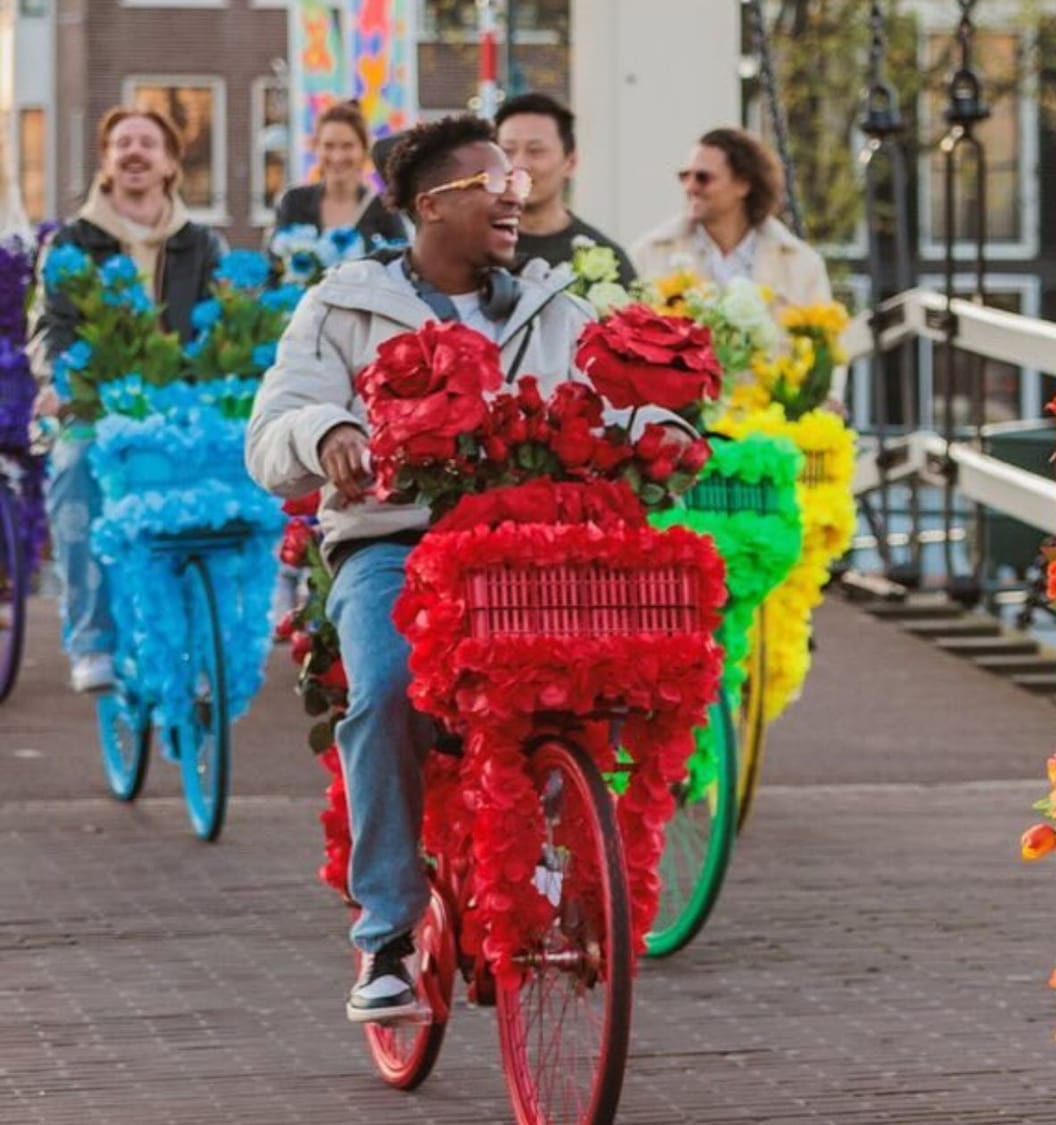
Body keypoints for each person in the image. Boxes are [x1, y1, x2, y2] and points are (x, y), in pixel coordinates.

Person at [246, 114, 597, 1023]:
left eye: (523, 182)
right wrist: (329, 435)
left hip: (529, 547)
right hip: (391, 541)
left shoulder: (558, 308)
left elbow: (619, 410)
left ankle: (566, 868)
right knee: (390, 691)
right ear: (433, 205)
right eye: (497, 184)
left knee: (602, 688)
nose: (519, 197)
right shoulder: (342, 304)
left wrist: (673, 432)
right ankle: (390, 938)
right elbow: (272, 430)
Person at [30, 106, 226, 694]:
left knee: (214, 505)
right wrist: (64, 385)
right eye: (122, 144)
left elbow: (223, 329)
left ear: (170, 164)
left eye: (147, 143)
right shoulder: (72, 242)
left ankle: (191, 642)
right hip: (97, 407)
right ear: (107, 163)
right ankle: (93, 640)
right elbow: (50, 326)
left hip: (182, 409)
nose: (134, 152)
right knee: (74, 475)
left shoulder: (201, 245)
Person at [631, 126, 831, 308]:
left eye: (703, 178)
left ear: (742, 185)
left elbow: (825, 342)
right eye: (685, 176)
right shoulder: (649, 254)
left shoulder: (801, 264)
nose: (690, 187)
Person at [494, 91, 636, 283]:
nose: (519, 164)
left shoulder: (606, 259)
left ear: (570, 163)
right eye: (507, 151)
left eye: (535, 151)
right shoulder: (474, 249)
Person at [267, 100, 406, 249]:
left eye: (347, 146)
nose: (337, 157)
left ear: (364, 150)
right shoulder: (293, 203)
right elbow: (274, 264)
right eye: (328, 146)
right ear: (316, 148)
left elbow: (399, 263)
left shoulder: (383, 209)